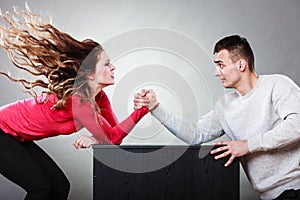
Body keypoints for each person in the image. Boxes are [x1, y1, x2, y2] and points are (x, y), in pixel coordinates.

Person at [0, 6, 148, 200]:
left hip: (16, 136)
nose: (113, 67)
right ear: (88, 73)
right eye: (106, 64)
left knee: (60, 186)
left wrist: (98, 138)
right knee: (40, 188)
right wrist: (142, 111)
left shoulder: (99, 98)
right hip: (1, 132)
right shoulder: (79, 101)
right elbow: (111, 138)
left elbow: (114, 136)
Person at [134, 35, 300, 200]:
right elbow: (195, 134)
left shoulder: (277, 85)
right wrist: (155, 107)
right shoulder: (225, 105)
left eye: (221, 65)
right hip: (269, 196)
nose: (216, 72)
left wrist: (248, 145)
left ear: (241, 64)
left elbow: (297, 125)